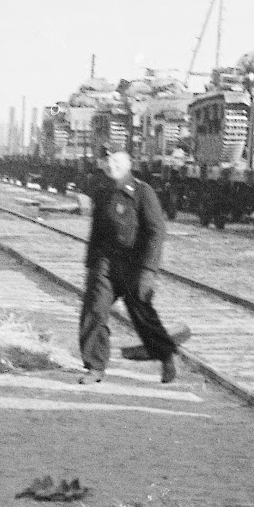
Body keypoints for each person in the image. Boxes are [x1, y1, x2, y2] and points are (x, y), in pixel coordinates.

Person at [79, 150, 179, 384]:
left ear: (128, 165)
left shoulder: (143, 192)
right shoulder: (102, 193)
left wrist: (149, 271)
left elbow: (157, 232)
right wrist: (91, 265)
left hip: (135, 265)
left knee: (142, 314)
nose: (111, 165)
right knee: (94, 310)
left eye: (116, 160)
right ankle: (95, 367)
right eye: (107, 161)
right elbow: (96, 232)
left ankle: (166, 357)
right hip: (105, 263)